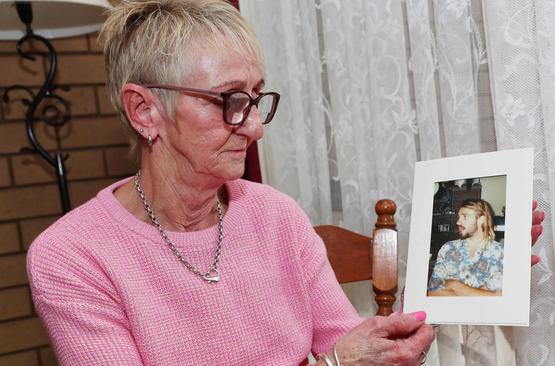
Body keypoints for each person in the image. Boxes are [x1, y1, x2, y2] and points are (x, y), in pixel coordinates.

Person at [26, 1, 433, 365]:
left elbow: (345, 342)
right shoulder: (71, 258)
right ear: (144, 111)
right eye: (229, 100)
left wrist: (385, 352)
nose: (255, 128)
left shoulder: (276, 215)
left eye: (255, 98)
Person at [427, 198, 504, 297]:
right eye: (459, 217)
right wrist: (478, 292)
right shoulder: (448, 249)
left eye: (465, 216)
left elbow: (497, 297)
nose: (458, 222)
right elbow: (432, 292)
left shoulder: (499, 252)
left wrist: (455, 285)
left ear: (481, 220)